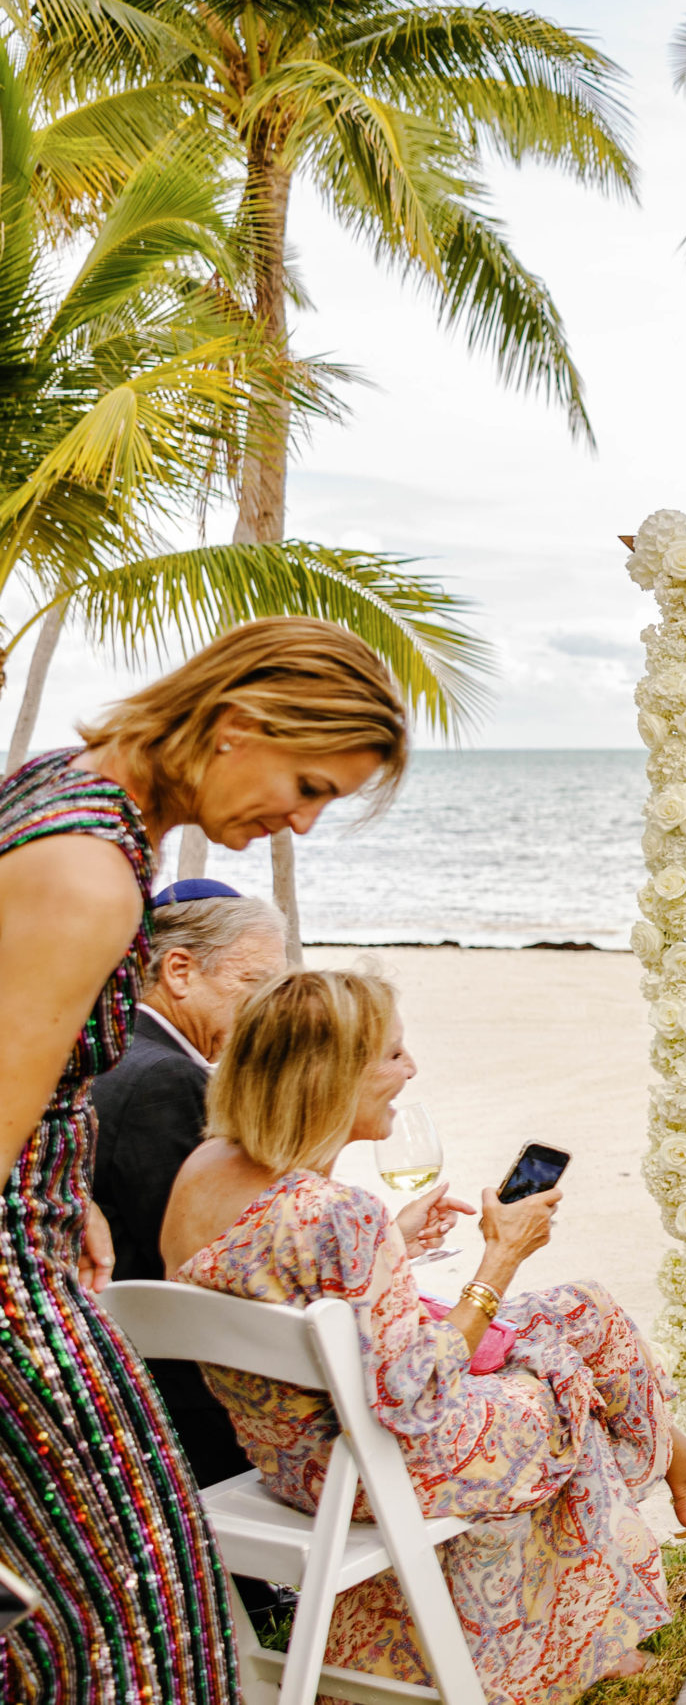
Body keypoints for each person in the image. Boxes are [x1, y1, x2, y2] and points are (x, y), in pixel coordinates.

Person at [162, 969, 686, 1703]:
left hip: (289, 1453)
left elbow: (283, 1286)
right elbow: (417, 1388)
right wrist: (500, 1257)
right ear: (331, 1074)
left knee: (580, 1309)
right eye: (393, 1056)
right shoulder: (336, 1215)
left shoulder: (205, 1170)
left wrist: (393, 1241)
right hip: (374, 1463)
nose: (411, 1070)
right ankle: (583, 1632)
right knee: (560, 1379)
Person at [0, 615, 412, 1703]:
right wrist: (30, 1205)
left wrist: (61, 1173)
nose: (305, 822)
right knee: (150, 1626)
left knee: (68, 1626)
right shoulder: (92, 874)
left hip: (36, 1236)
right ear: (237, 727)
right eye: (310, 783)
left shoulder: (55, 793)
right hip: (14, 1289)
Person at [88, 880, 288, 1490]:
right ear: (179, 970)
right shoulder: (164, 1079)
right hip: (172, 1401)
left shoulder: (108, 1048)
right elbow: (198, 1262)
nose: (265, 1008)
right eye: (254, 984)